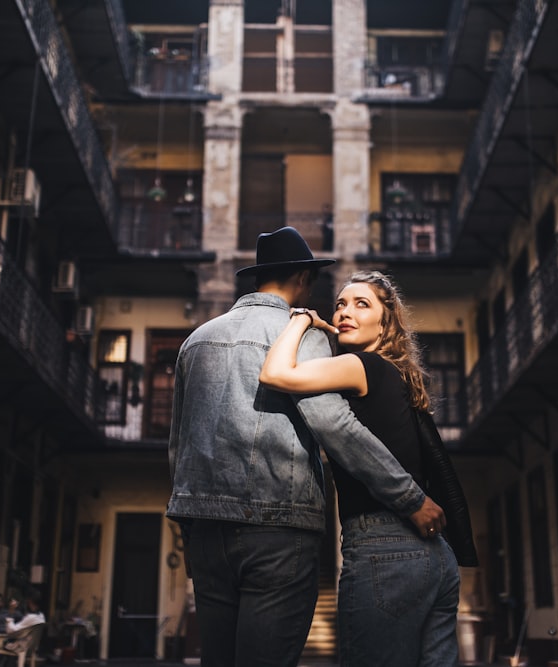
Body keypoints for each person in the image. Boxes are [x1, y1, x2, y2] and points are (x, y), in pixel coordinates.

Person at [167, 227, 445, 667]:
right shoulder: (302, 335)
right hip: (280, 529)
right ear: (303, 278)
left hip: (204, 528)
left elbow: (178, 445)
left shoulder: (195, 341)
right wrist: (410, 497)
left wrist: (188, 527)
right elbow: (334, 424)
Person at [259, 270, 461, 667]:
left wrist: (301, 318)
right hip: (436, 559)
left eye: (361, 304)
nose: (344, 312)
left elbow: (275, 373)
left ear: (386, 322)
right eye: (340, 304)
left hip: (382, 553)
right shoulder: (398, 377)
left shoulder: (362, 366)